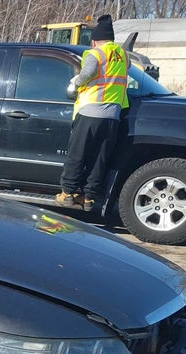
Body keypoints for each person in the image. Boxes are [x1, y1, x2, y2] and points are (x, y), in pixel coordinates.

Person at [54, 14, 129, 213]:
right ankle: (88, 198)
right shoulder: (122, 54)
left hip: (90, 111)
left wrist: (75, 82)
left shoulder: (94, 54)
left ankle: (68, 193)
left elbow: (87, 73)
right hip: (113, 114)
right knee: (99, 158)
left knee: (77, 153)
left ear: (94, 40)